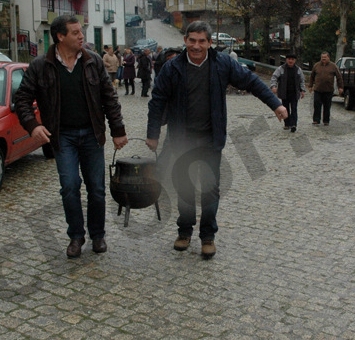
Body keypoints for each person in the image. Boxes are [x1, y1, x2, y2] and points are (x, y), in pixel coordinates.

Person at [146, 21, 287, 259]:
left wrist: (276, 105)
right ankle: (184, 231)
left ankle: (208, 236)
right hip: (182, 139)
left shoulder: (222, 63)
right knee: (185, 187)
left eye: (202, 41)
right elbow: (157, 99)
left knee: (210, 189)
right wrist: (152, 134)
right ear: (185, 41)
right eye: (192, 40)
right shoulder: (173, 67)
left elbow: (251, 82)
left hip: (211, 139)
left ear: (210, 43)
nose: (196, 46)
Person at [14, 15, 128, 259]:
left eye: (81, 31)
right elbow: (21, 99)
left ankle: (98, 235)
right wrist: (33, 126)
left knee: (96, 188)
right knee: (69, 186)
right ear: (60, 36)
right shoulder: (40, 66)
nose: (81, 36)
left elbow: (109, 98)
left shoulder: (93, 61)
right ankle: (76, 236)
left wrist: (117, 130)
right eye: (75, 32)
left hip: (92, 134)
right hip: (62, 136)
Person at [270, 53, 306, 133]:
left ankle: (293, 125)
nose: (290, 61)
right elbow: (274, 77)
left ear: (294, 61)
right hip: (284, 92)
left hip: (294, 93)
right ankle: (287, 123)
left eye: (292, 59)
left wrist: (303, 90)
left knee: (294, 109)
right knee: (285, 109)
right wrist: (273, 86)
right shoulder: (281, 69)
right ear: (286, 60)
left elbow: (302, 80)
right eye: (289, 59)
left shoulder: (298, 69)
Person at [308, 52, 343, 126]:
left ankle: (326, 120)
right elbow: (312, 76)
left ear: (328, 58)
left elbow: (339, 77)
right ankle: (316, 120)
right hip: (318, 89)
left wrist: (340, 87)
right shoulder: (316, 65)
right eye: (322, 57)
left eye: (325, 57)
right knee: (317, 105)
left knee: (327, 106)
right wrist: (310, 86)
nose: (323, 58)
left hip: (328, 90)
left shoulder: (333, 66)